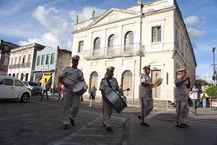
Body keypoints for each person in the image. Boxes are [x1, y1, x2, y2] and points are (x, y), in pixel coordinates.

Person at [58, 55, 85, 129]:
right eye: (74, 61)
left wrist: (81, 78)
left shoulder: (80, 72)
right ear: (72, 62)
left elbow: (83, 81)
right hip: (67, 89)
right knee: (66, 106)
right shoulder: (67, 69)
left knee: (76, 106)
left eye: (77, 61)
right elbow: (60, 78)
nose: (76, 62)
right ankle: (65, 122)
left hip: (76, 90)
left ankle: (71, 117)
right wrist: (64, 84)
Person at [99, 66, 119, 132]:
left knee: (111, 111)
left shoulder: (115, 80)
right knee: (106, 111)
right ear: (107, 72)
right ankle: (108, 125)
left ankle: (105, 122)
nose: (111, 73)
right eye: (110, 71)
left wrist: (118, 89)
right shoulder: (103, 80)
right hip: (106, 98)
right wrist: (104, 97)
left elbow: (117, 88)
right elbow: (102, 90)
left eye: (112, 71)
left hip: (113, 98)